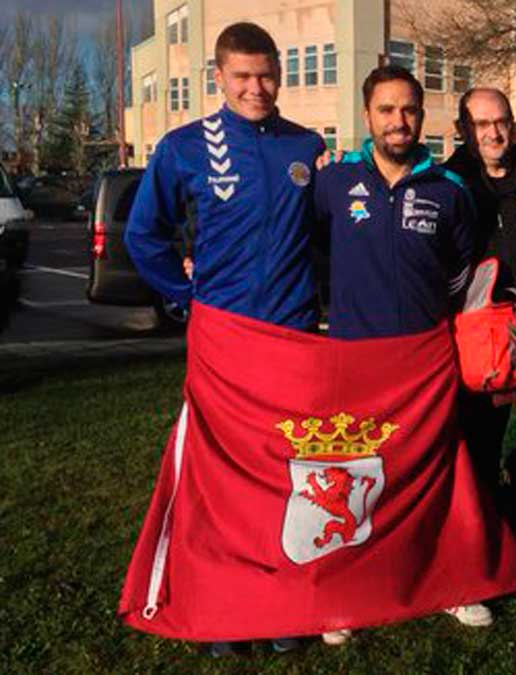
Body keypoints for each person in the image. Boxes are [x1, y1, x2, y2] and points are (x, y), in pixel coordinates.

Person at [123, 22, 325, 655]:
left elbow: (322, 234)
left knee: (285, 471)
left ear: (279, 74)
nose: (256, 88)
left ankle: (286, 605)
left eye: (266, 74)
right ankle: (224, 610)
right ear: (219, 78)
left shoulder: (306, 145)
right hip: (223, 338)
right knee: (221, 476)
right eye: (242, 76)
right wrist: (186, 296)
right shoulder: (184, 148)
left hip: (292, 336)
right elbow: (142, 235)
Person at [312, 65, 491, 630]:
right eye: (387, 110)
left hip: (424, 360)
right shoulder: (334, 182)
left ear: (421, 116)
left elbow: (463, 273)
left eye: (409, 110)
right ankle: (345, 593)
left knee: (430, 474)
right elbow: (312, 250)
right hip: (354, 357)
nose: (399, 121)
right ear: (367, 116)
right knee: (354, 477)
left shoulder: (449, 191)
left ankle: (446, 583)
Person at [441, 88, 516, 525]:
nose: (493, 133)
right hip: (471, 341)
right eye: (481, 124)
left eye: (501, 122)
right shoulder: (443, 187)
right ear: (462, 129)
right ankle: (486, 552)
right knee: (475, 455)